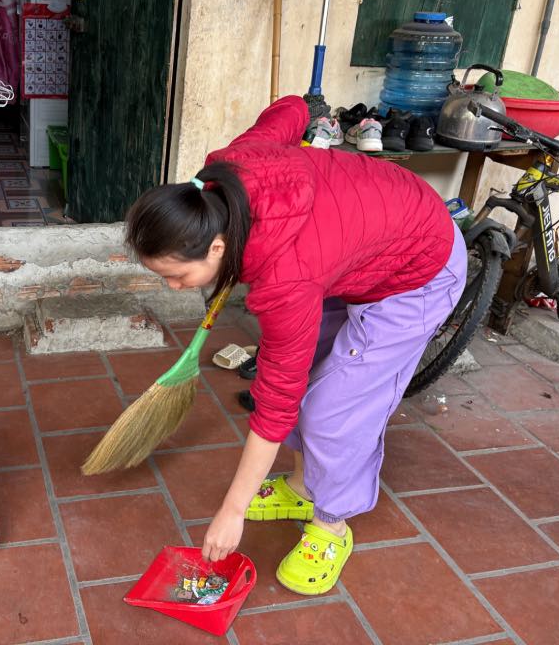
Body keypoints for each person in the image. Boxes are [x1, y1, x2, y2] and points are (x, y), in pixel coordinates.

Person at [125, 95, 466, 595]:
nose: (175, 287)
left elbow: (276, 398)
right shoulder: (224, 175)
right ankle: (304, 487)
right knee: (311, 374)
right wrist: (308, 108)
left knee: (335, 409)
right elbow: (286, 111)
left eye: (178, 276)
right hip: (354, 251)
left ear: (216, 246)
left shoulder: (285, 278)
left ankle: (332, 525)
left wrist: (232, 509)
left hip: (418, 267)